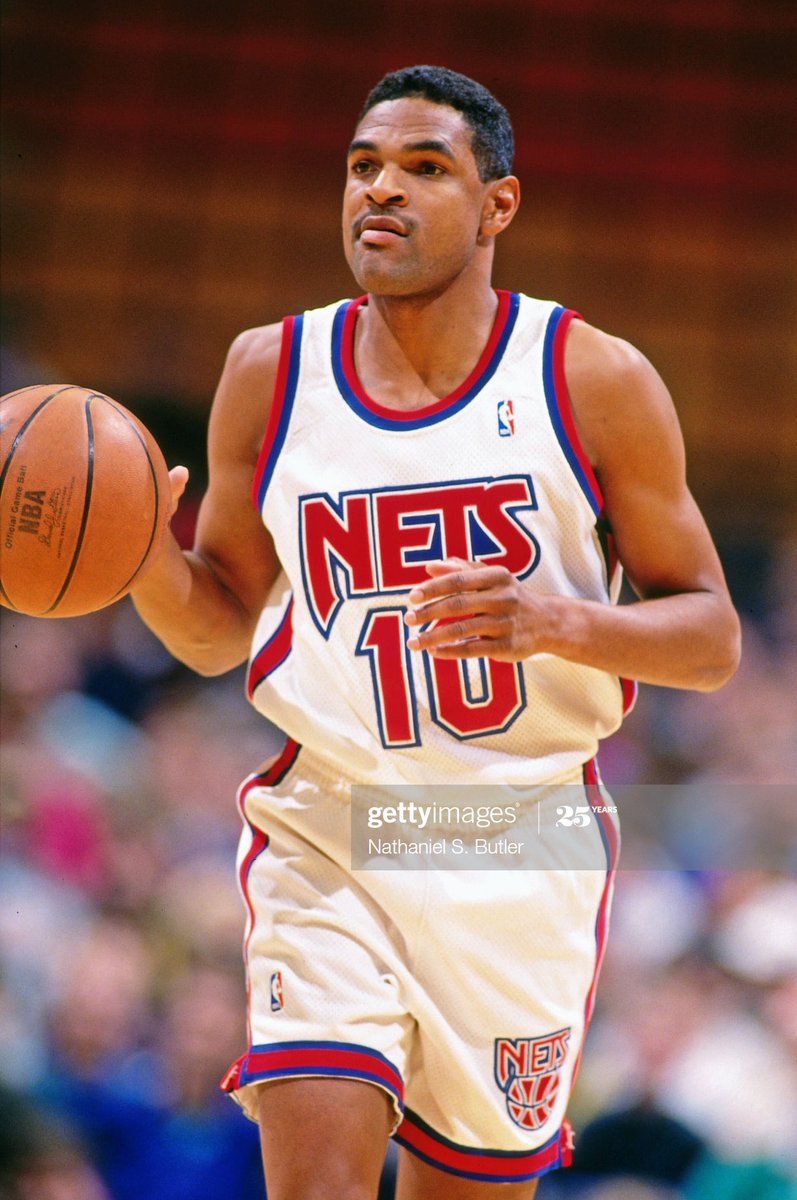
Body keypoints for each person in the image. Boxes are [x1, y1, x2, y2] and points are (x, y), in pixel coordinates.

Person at [131, 65, 741, 1200]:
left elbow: (709, 638)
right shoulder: (269, 373)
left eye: (423, 169)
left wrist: (554, 620)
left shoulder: (590, 377)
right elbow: (217, 628)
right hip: (334, 824)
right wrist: (139, 564)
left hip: (515, 839)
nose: (381, 192)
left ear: (497, 204)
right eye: (362, 167)